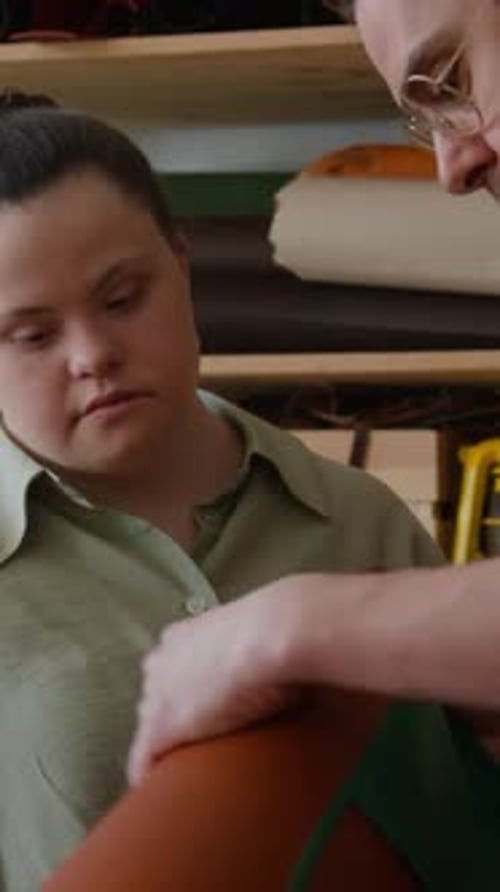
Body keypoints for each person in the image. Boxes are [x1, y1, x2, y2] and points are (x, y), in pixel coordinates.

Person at [0, 92, 442, 891]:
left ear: (181, 262)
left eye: (122, 297)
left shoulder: (363, 523)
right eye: (31, 335)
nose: (93, 354)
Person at [128, 0, 500, 786]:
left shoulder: (355, 519)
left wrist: (292, 627)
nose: (452, 166)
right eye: (424, 115)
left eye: (455, 75)